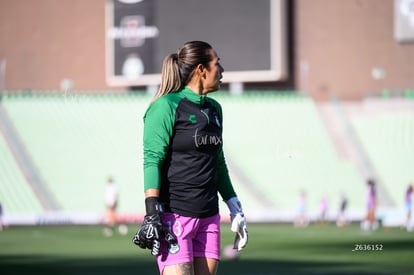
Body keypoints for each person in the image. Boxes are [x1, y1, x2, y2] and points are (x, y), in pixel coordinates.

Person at [132, 41, 248, 275]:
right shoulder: (166, 106)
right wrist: (152, 212)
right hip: (174, 217)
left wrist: (234, 206)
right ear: (201, 70)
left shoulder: (215, 109)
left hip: (209, 217)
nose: (222, 70)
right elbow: (152, 159)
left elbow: (218, 162)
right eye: (217, 63)